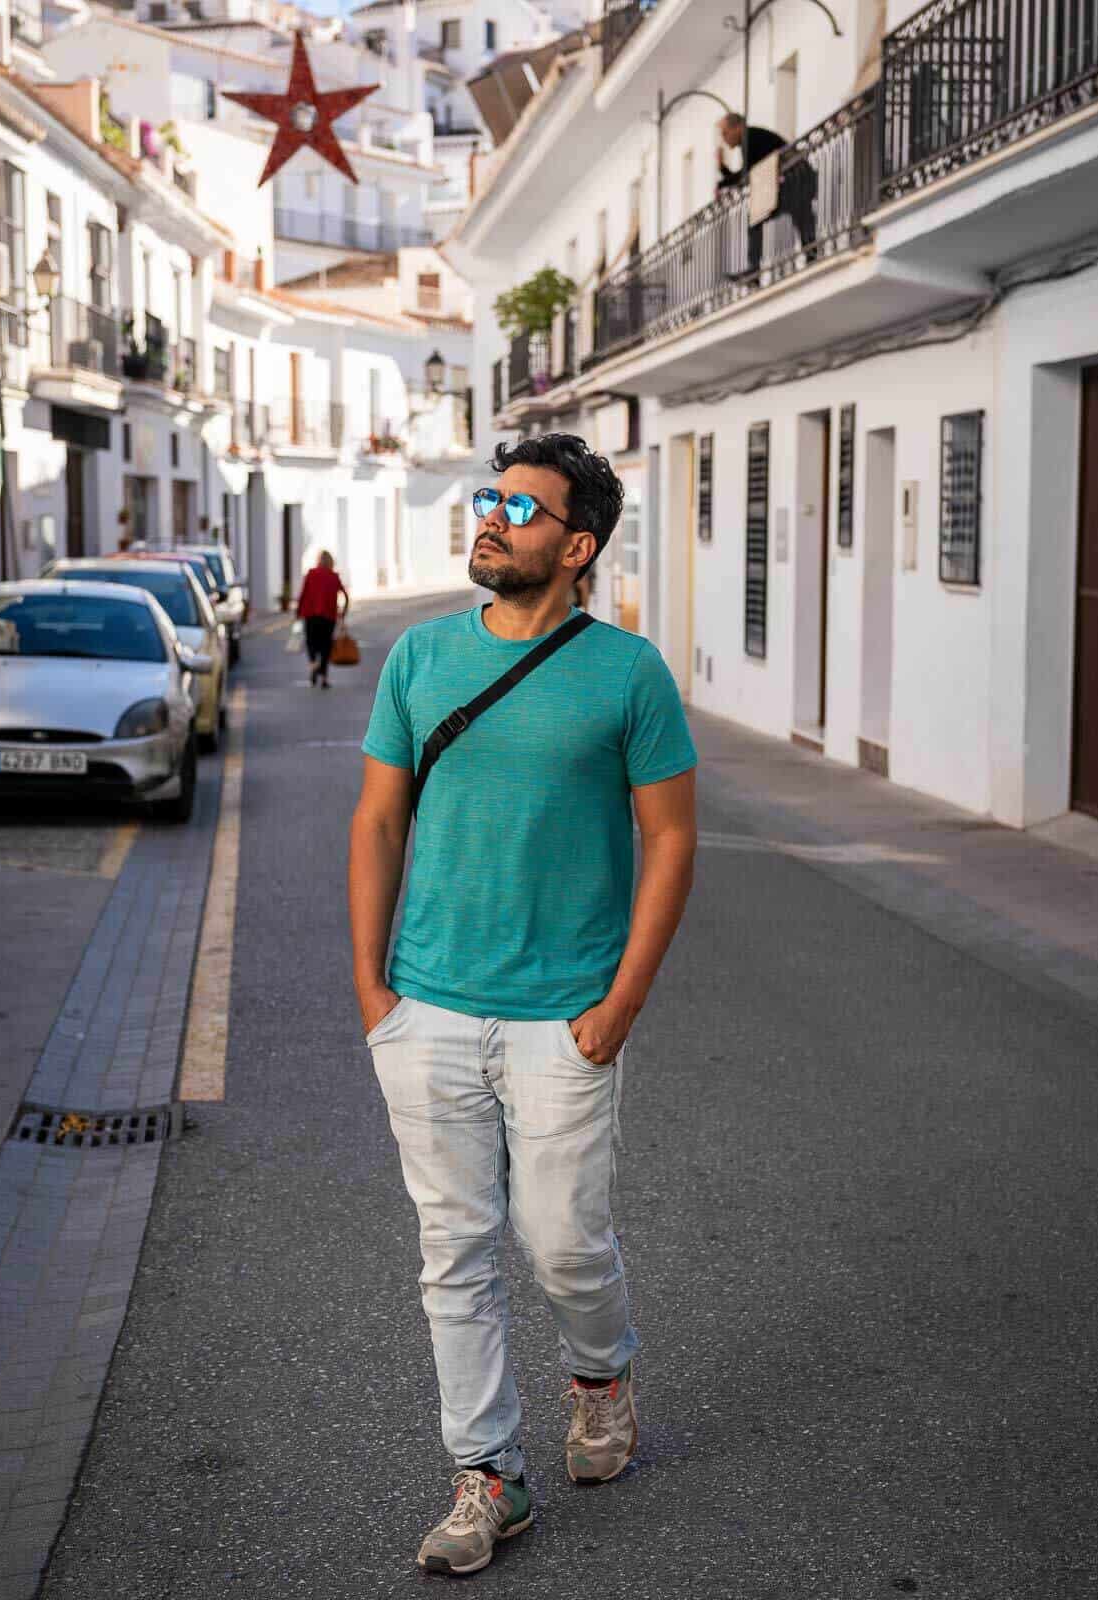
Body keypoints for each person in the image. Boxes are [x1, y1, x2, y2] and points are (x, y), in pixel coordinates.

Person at [349, 433, 697, 1577]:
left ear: (578, 545)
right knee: (453, 1251)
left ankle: (599, 1378)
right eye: (490, 499)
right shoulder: (419, 658)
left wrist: (623, 1003)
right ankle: (487, 1474)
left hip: (566, 1014)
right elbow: (379, 821)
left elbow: (671, 839)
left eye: (522, 508)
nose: (490, 518)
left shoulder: (629, 674)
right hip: (431, 1008)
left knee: (562, 1244)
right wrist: (373, 990)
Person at [717, 110, 817, 277]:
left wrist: (722, 176)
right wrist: (723, 175)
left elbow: (745, 176)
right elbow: (747, 175)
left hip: (795, 179)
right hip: (796, 179)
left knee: (760, 219)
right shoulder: (751, 137)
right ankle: (810, 253)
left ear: (738, 128)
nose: (724, 138)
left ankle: (755, 269)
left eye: (725, 132)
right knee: (797, 215)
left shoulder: (749, 138)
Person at [295, 549, 348, 688]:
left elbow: (303, 593)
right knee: (326, 645)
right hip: (328, 616)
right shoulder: (334, 576)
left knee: (311, 641)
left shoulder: (311, 574)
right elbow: (345, 595)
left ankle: (313, 663)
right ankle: (324, 678)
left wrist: (298, 611)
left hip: (310, 615)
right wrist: (343, 613)